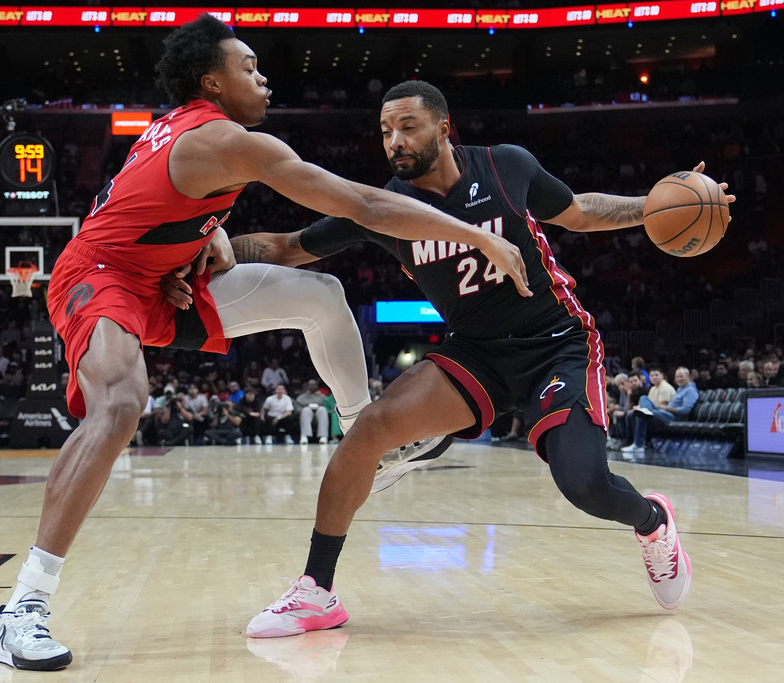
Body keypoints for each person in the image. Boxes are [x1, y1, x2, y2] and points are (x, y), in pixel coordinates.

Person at [0, 19, 520, 671]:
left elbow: (149, 202)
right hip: (97, 278)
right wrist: (478, 234)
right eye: (249, 65)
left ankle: (366, 438)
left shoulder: (178, 128)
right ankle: (21, 609)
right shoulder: (223, 141)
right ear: (213, 81)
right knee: (122, 404)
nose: (263, 76)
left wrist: (202, 240)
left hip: (160, 279)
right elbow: (362, 205)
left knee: (319, 294)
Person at [227, 81, 733, 638]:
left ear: (444, 127)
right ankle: (315, 592)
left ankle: (652, 521)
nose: (394, 140)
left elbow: (579, 213)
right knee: (369, 428)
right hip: (477, 355)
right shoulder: (381, 207)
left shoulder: (505, 166)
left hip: (555, 343)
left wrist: (657, 207)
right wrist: (213, 245)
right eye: (385, 131)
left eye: (408, 127)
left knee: (584, 485)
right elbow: (286, 246)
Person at [623, 367, 699, 454]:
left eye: (681, 376)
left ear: (688, 376)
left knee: (641, 413)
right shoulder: (681, 389)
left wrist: (667, 408)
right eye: (677, 377)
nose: (678, 379)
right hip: (665, 413)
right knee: (644, 398)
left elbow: (685, 410)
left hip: (674, 416)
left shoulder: (690, 390)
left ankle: (639, 445)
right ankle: (646, 411)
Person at [296, 379, 329, 445]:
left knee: (322, 409)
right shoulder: (302, 397)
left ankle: (323, 436)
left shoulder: (323, 397)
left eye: (314, 385)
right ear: (307, 386)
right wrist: (308, 407)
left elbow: (328, 407)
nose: (312, 387)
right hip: (307, 415)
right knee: (305, 410)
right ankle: (304, 436)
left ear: (317, 386)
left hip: (319, 415)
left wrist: (317, 407)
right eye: (310, 385)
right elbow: (297, 409)